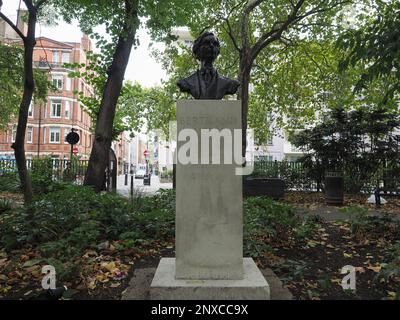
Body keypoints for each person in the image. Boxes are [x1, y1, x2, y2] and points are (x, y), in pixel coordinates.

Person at [177, 32, 240, 100]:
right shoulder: (186, 83)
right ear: (197, 50)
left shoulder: (230, 84)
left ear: (218, 51)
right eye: (206, 43)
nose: (211, 46)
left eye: (215, 44)